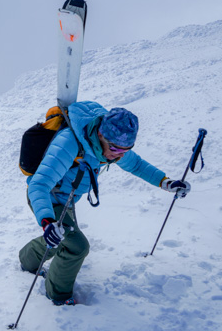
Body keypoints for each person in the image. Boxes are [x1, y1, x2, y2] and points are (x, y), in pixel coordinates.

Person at [18, 101, 191, 305]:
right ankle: (58, 296)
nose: (118, 155)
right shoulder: (70, 142)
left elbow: (135, 164)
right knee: (76, 246)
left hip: (68, 199)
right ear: (100, 134)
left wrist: (165, 182)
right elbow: (39, 185)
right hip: (48, 197)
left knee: (61, 237)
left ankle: (27, 260)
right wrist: (47, 221)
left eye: (126, 150)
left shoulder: (111, 145)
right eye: (116, 149)